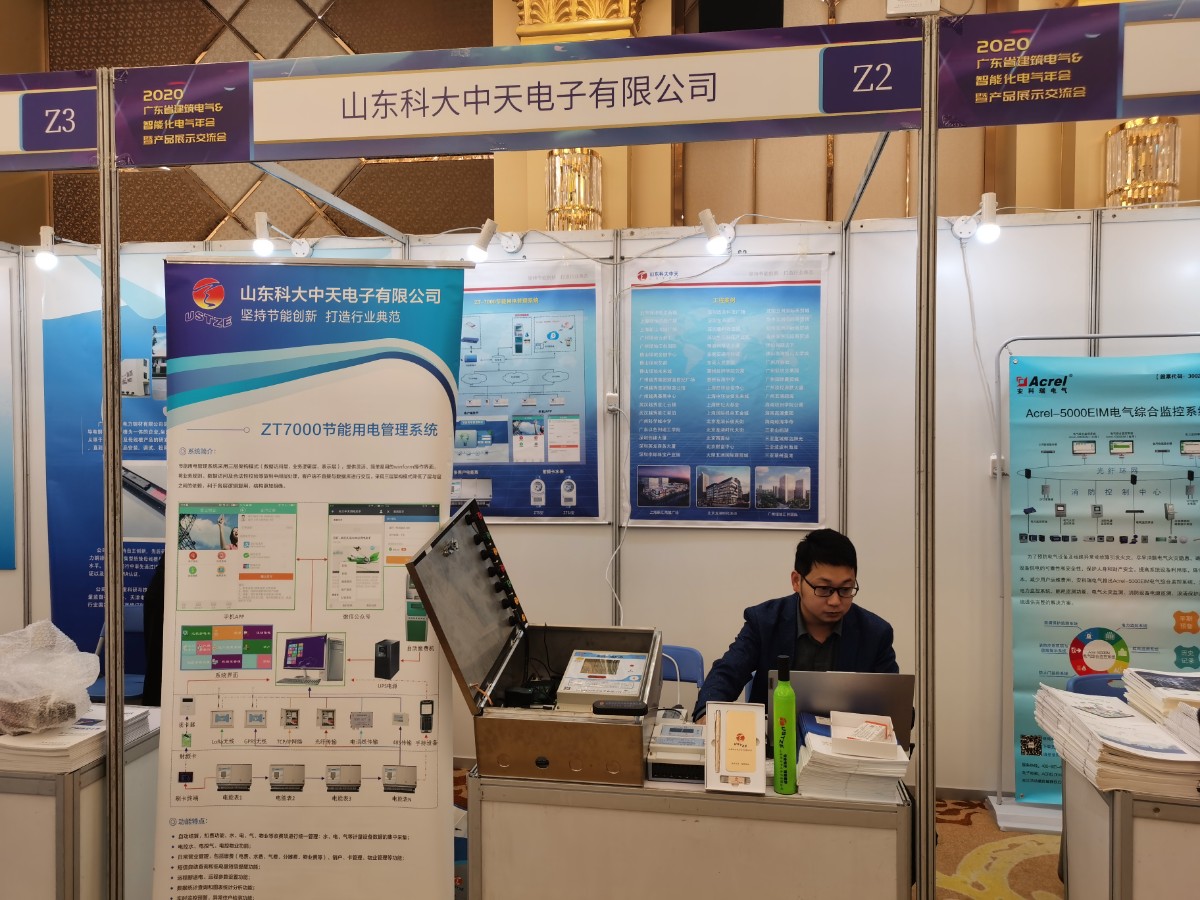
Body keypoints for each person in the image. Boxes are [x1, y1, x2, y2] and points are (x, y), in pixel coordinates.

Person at [693, 528, 897, 722]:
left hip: (846, 744)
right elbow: (728, 673)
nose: (835, 601)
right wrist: (706, 714)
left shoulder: (875, 633)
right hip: (775, 741)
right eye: (824, 588)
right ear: (796, 581)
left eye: (845, 589)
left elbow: (895, 705)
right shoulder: (764, 622)